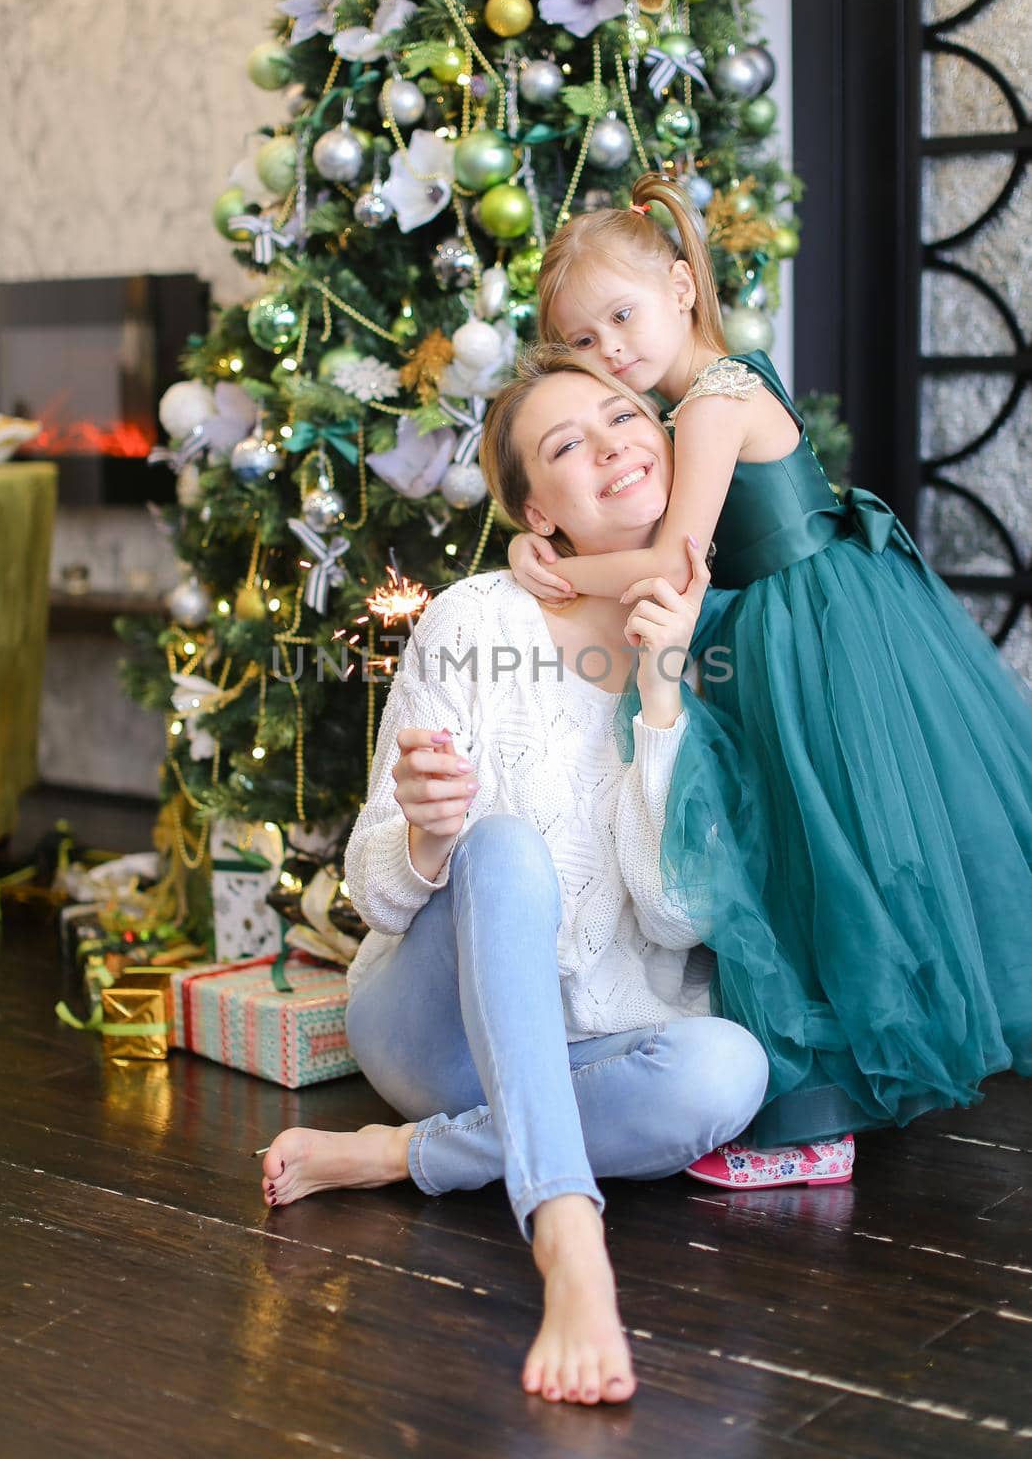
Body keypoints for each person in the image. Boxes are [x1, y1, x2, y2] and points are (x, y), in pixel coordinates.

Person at [260, 345, 770, 1405]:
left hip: (589, 1052)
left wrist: (665, 695)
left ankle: (405, 1156)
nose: (613, 446)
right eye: (565, 445)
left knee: (728, 1069)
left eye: (624, 416)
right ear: (540, 516)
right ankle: (566, 1236)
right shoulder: (476, 619)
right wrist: (428, 841)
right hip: (432, 1027)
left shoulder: (725, 647)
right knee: (501, 845)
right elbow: (373, 887)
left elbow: (681, 920)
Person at [505, 170, 1032, 1176]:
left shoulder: (710, 404)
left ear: (677, 284)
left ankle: (814, 1123)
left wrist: (548, 566)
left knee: (810, 862)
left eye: (620, 316)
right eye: (581, 340)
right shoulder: (708, 389)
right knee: (810, 859)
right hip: (793, 621)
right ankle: (827, 1096)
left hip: (804, 639)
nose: (609, 350)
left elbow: (675, 564)